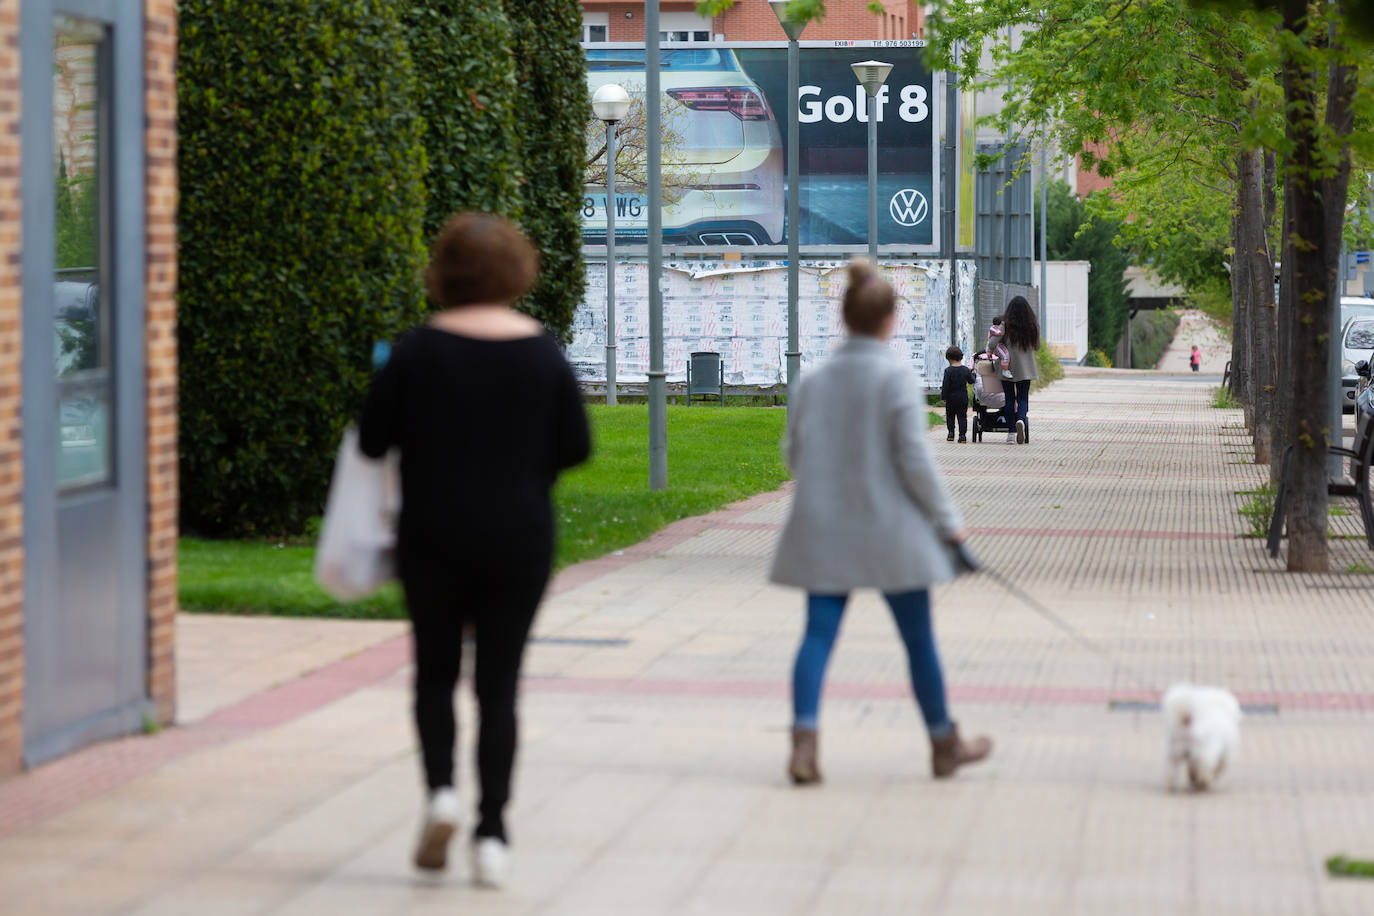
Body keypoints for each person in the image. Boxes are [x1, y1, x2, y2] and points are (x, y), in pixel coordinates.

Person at [359, 212, 591, 886]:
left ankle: (440, 794)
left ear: (442, 274)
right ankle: (492, 835)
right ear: (517, 273)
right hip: (518, 537)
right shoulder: (542, 352)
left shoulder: (415, 352)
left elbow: (373, 443)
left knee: (434, 671)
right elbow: (576, 447)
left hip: (431, 534)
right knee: (498, 685)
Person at [770, 259, 993, 785]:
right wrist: (950, 525)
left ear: (845, 319)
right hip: (892, 532)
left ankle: (804, 745)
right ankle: (943, 744)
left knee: (817, 635)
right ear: (890, 321)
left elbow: (793, 455)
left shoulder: (815, 380)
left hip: (825, 527)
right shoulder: (895, 379)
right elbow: (914, 462)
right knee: (918, 640)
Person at [1000, 296, 1040, 444]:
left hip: (1007, 367)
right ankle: (1021, 420)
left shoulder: (1005, 325)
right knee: (1022, 397)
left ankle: (1011, 433)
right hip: (1026, 368)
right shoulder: (1032, 326)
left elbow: (992, 343)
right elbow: (1037, 346)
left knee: (1009, 399)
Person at [940, 346, 977, 443]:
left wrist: (943, 397)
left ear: (948, 358)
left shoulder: (948, 371)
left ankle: (951, 434)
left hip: (950, 398)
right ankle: (962, 437)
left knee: (950, 416)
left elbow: (945, 385)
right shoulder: (965, 370)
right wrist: (973, 373)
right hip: (962, 397)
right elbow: (971, 381)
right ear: (961, 357)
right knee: (962, 417)